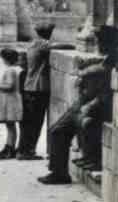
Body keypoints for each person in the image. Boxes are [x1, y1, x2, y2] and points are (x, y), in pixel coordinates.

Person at [40, 30, 111, 184]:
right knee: (56, 131)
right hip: (84, 102)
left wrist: (90, 104)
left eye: (101, 42)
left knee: (73, 127)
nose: (99, 45)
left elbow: (107, 88)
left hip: (94, 105)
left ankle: (65, 171)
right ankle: (58, 172)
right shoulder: (109, 56)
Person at [16, 21, 55, 160]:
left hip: (29, 86)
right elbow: (58, 47)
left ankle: (23, 149)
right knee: (36, 122)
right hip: (39, 88)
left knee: (28, 122)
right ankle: (27, 151)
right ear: (48, 33)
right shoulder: (44, 44)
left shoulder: (32, 44)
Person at [0, 44, 23, 157]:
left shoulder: (10, 70)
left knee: (10, 126)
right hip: (11, 99)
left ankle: (9, 148)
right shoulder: (15, 69)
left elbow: (9, 85)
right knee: (10, 126)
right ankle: (9, 147)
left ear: (6, 59)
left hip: (9, 100)